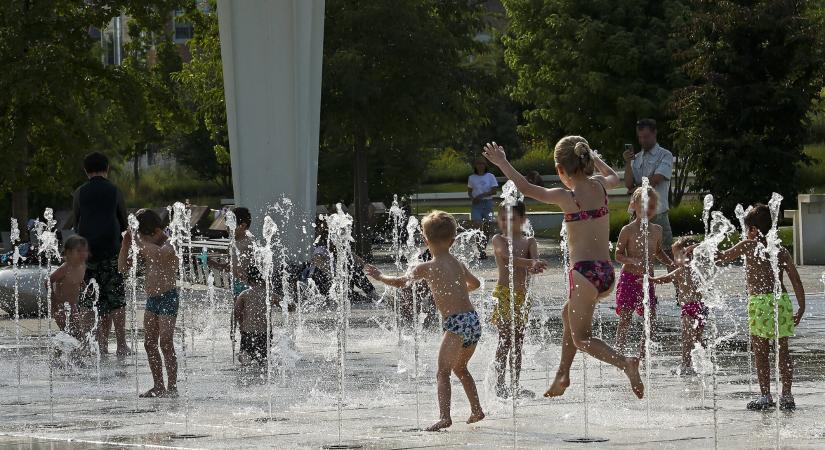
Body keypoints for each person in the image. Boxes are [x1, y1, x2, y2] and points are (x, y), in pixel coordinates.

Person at [483, 137, 644, 400]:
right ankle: (562, 374)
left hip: (584, 274)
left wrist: (502, 162)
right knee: (567, 313)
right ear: (587, 161)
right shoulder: (602, 186)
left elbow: (525, 186)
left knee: (582, 338)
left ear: (560, 170)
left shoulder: (566, 196)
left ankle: (625, 363)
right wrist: (595, 157)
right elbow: (613, 176)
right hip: (606, 272)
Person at [365, 211, 485, 431]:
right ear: (453, 239)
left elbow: (401, 282)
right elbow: (475, 284)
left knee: (442, 372)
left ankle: (444, 417)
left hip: (455, 323)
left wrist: (380, 277)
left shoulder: (426, 267)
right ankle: (476, 410)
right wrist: (458, 291)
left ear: (424, 240)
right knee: (461, 368)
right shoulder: (458, 263)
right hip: (472, 321)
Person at [714, 205, 805, 411]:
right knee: (783, 351)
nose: (746, 233)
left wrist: (704, 248)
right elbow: (796, 281)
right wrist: (802, 306)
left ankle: (765, 396)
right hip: (780, 300)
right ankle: (787, 396)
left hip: (759, 304)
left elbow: (721, 257)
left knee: (761, 352)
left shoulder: (748, 246)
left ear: (754, 230)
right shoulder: (780, 250)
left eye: (747, 229)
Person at [72, 152, 130, 356]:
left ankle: (93, 343)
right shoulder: (114, 190)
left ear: (85, 170)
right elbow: (123, 220)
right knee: (116, 298)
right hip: (111, 250)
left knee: (89, 300)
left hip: (87, 254)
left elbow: (76, 221)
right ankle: (121, 344)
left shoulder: (79, 192)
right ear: (107, 168)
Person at [118, 209, 180, 398]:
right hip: (152, 300)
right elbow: (122, 267)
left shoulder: (171, 241)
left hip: (168, 297)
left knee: (166, 343)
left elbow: (159, 255)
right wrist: (125, 242)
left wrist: (136, 239)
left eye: (144, 236)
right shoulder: (146, 244)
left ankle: (172, 387)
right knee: (149, 343)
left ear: (155, 231)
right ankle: (158, 385)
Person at [490, 201, 546, 398]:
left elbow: (533, 265)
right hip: (504, 294)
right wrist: (531, 262)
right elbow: (505, 258)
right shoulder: (499, 239)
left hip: (523, 298)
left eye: (512, 218)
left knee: (518, 342)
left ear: (523, 220)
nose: (507, 222)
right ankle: (499, 384)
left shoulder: (530, 242)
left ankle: (514, 384)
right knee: (504, 340)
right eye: (503, 218)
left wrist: (536, 266)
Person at [614, 187, 674, 357]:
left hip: (648, 280)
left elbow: (658, 252)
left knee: (650, 319)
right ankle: (619, 352)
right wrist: (631, 260)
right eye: (644, 206)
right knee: (625, 318)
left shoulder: (657, 230)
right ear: (634, 205)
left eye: (652, 207)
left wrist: (671, 263)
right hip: (629, 278)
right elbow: (617, 255)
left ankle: (641, 354)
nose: (648, 210)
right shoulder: (627, 230)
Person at [650, 236, 706, 374]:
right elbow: (665, 279)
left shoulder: (691, 269)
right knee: (696, 338)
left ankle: (686, 365)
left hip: (689, 309)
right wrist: (651, 279)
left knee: (688, 338)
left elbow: (664, 279)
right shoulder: (693, 270)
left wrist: (651, 279)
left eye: (676, 255)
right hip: (701, 308)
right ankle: (697, 364)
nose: (674, 260)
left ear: (688, 254)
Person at [623, 119, 674, 252]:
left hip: (658, 213)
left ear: (654, 133)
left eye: (646, 137)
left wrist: (636, 189)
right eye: (640, 137)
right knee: (634, 253)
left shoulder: (665, 155)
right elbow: (628, 185)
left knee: (667, 253)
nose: (643, 141)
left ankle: (673, 274)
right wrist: (628, 163)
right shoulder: (637, 158)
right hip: (637, 213)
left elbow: (656, 179)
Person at [235, 265, 282, 366]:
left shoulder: (244, 294)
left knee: (245, 357)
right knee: (264, 359)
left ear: (249, 279)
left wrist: (241, 324)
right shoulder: (269, 294)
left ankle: (245, 367)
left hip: (248, 332)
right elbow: (288, 306)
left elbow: (237, 312)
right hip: (264, 333)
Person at [49, 236, 89, 341]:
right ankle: (61, 352)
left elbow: (79, 279)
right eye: (78, 251)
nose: (82, 254)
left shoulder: (82, 265)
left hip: (73, 304)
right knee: (67, 333)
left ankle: (76, 353)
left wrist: (85, 288)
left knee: (79, 332)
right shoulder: (64, 268)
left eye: (84, 251)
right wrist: (53, 298)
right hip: (61, 306)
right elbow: (48, 281)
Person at [467, 157, 499, 259]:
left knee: (486, 228)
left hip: (487, 203)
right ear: (475, 166)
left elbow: (494, 191)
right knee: (477, 226)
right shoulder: (471, 178)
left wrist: (482, 195)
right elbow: (469, 191)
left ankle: (483, 249)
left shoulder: (490, 176)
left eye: (482, 164)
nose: (480, 166)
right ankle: (480, 250)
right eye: (478, 164)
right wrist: (473, 198)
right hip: (476, 205)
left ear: (485, 165)